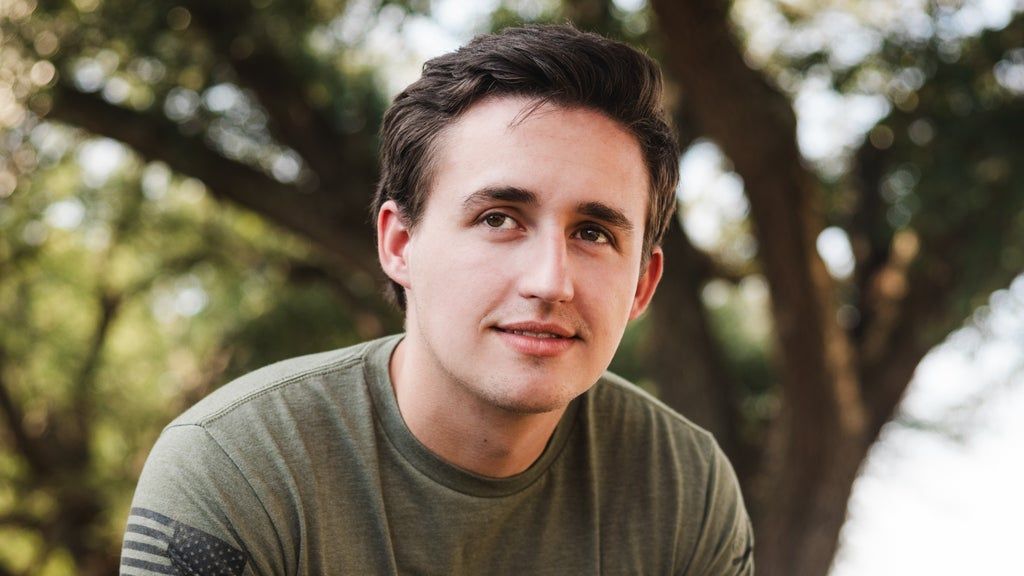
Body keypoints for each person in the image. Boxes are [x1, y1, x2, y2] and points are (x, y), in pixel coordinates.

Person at [120, 24, 753, 575]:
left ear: (642, 284)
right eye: (498, 219)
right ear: (400, 244)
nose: (550, 281)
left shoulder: (685, 487)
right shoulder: (237, 468)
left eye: (593, 233)